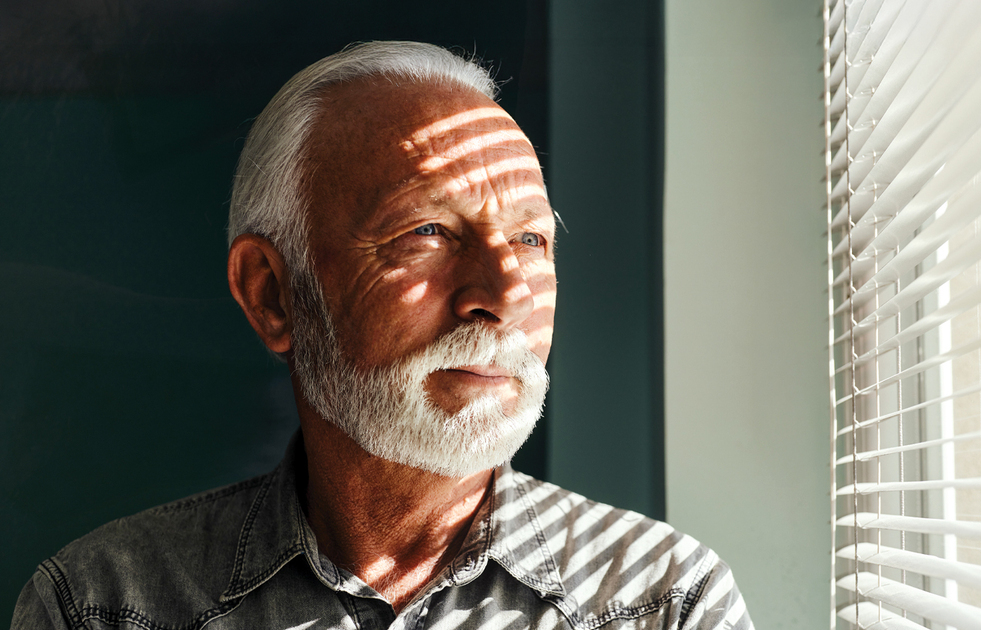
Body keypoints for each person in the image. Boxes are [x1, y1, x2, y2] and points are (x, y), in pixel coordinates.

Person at [11, 41, 751, 630]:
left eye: (530, 241)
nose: (502, 297)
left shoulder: (665, 602)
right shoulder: (101, 606)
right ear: (274, 296)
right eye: (426, 231)